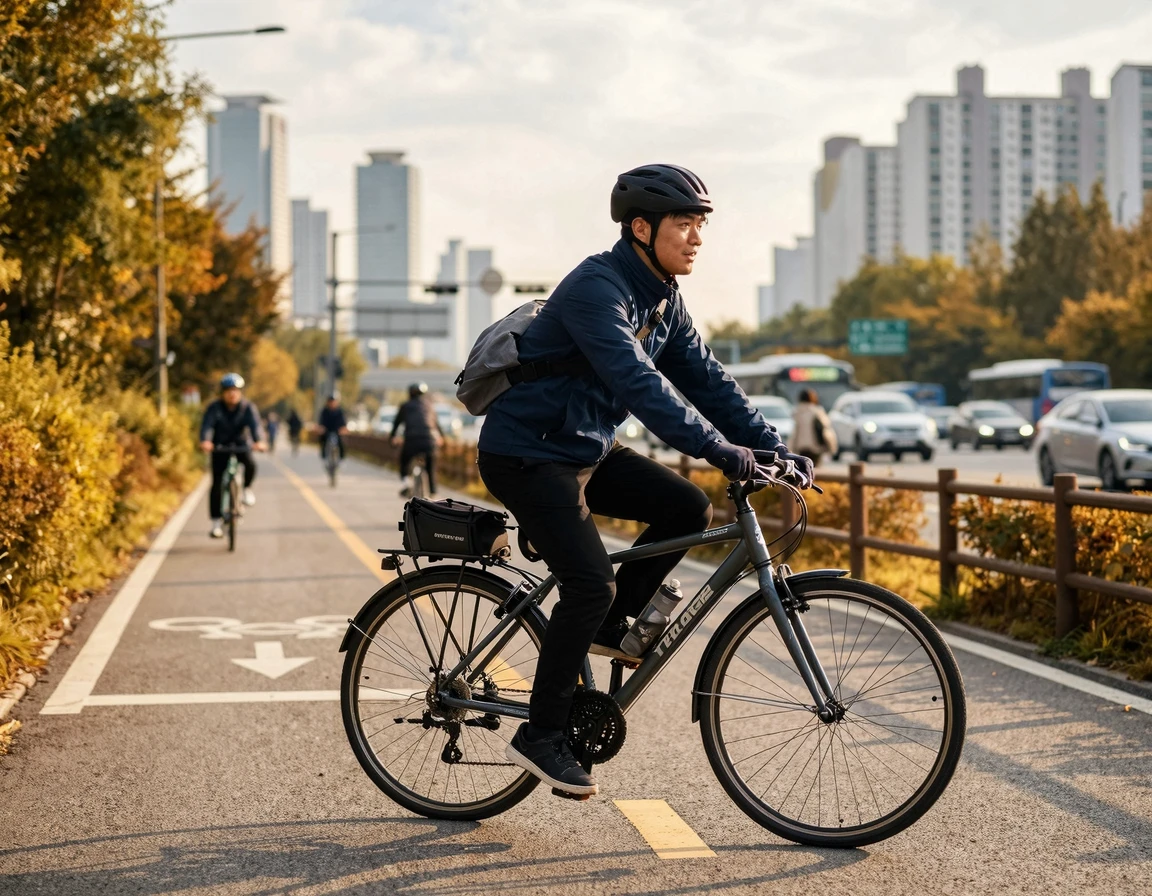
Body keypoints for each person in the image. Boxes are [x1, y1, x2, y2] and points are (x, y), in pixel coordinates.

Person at [476, 164, 815, 797]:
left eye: (699, 225)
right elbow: (640, 382)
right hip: (528, 455)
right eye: (685, 224)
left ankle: (609, 628)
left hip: (584, 451)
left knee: (685, 505)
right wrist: (719, 449)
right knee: (588, 583)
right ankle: (541, 735)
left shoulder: (664, 300)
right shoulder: (595, 290)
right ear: (641, 227)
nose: (696, 238)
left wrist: (774, 447)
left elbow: (708, 380)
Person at [199, 373, 266, 539]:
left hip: (241, 445)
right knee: (216, 484)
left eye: (235, 390)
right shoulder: (214, 408)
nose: (232, 394)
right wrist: (206, 441)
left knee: (251, 464)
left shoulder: (247, 407)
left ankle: (247, 489)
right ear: (223, 392)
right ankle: (216, 523)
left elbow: (255, 426)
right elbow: (207, 425)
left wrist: (259, 441)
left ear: (240, 392)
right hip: (220, 447)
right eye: (228, 390)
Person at [390, 383, 445, 496]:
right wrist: (441, 438)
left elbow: (396, 424)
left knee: (404, 461)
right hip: (429, 441)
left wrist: (392, 438)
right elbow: (437, 425)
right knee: (431, 466)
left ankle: (406, 485)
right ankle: (433, 492)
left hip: (411, 440)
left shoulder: (405, 406)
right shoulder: (429, 406)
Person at [790, 388, 838, 466]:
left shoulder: (797, 413)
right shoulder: (818, 412)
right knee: (815, 473)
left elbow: (795, 433)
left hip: (802, 449)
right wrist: (832, 448)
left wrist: (791, 449)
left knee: (804, 472)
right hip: (816, 448)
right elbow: (826, 430)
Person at [317, 394, 349, 463]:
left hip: (337, 431)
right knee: (322, 440)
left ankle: (341, 458)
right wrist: (321, 428)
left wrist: (343, 428)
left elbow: (343, 422)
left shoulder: (340, 411)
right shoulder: (324, 411)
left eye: (333, 402)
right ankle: (324, 455)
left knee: (341, 442)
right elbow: (321, 421)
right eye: (330, 402)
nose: (332, 403)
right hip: (327, 430)